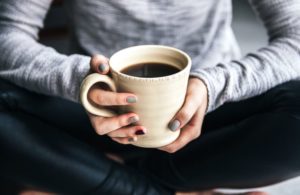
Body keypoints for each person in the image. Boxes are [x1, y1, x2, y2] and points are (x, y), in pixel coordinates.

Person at [0, 0, 300, 194]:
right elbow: (8, 34)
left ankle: (106, 178)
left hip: (209, 115)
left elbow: (296, 37)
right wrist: (81, 80)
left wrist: (212, 85)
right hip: (96, 112)